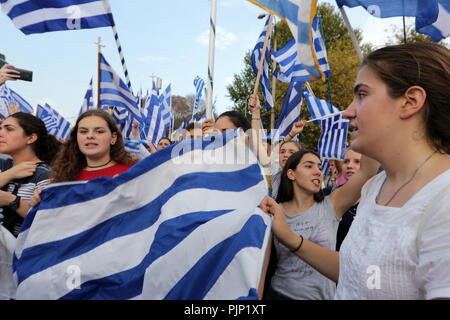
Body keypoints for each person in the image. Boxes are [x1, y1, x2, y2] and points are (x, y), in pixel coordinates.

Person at [260, 42, 450, 300]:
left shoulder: (443, 200)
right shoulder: (375, 186)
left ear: (410, 101)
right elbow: (359, 274)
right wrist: (291, 238)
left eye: (362, 94)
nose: (347, 112)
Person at [264, 148, 378, 300]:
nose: (318, 171)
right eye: (309, 166)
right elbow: (263, 266)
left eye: (319, 166)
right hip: (279, 295)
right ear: (291, 174)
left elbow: (368, 170)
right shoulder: (275, 211)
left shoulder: (332, 204)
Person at [30, 110, 135, 208]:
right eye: (83, 131)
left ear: (113, 138)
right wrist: (39, 201)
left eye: (99, 131)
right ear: (76, 138)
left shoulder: (132, 172)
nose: (90, 136)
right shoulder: (63, 178)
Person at [0, 112, 60, 237]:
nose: (1, 133)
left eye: (9, 129)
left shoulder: (45, 174)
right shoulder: (3, 166)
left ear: (31, 138)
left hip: (21, 252)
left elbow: (49, 221)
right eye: (0, 128)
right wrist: (9, 174)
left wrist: (11, 200)